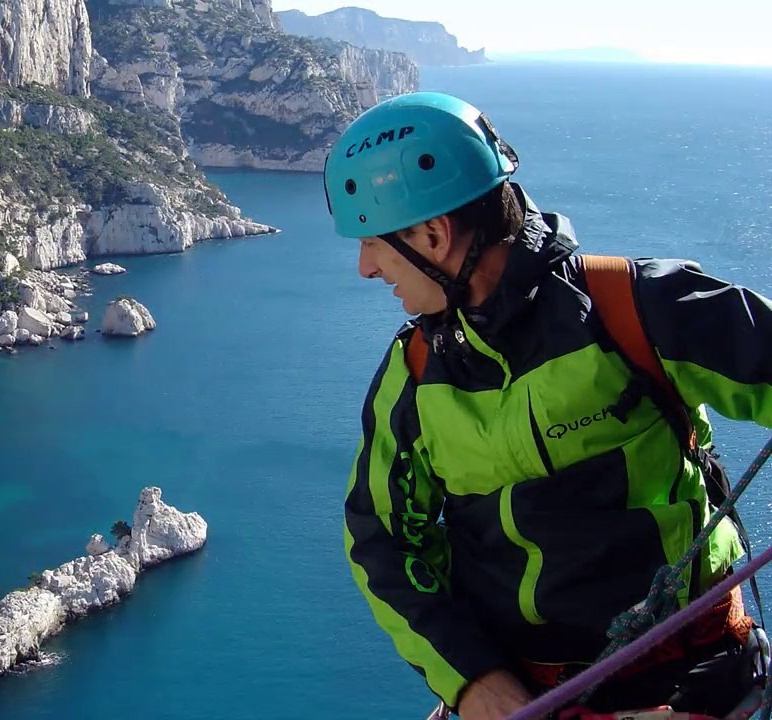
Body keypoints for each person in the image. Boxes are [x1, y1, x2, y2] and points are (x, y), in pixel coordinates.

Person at [328, 91, 770, 719]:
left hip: (692, 682)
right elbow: (382, 539)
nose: (365, 268)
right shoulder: (414, 375)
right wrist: (474, 680)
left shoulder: (635, 311)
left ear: (433, 235)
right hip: (535, 697)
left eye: (372, 242)